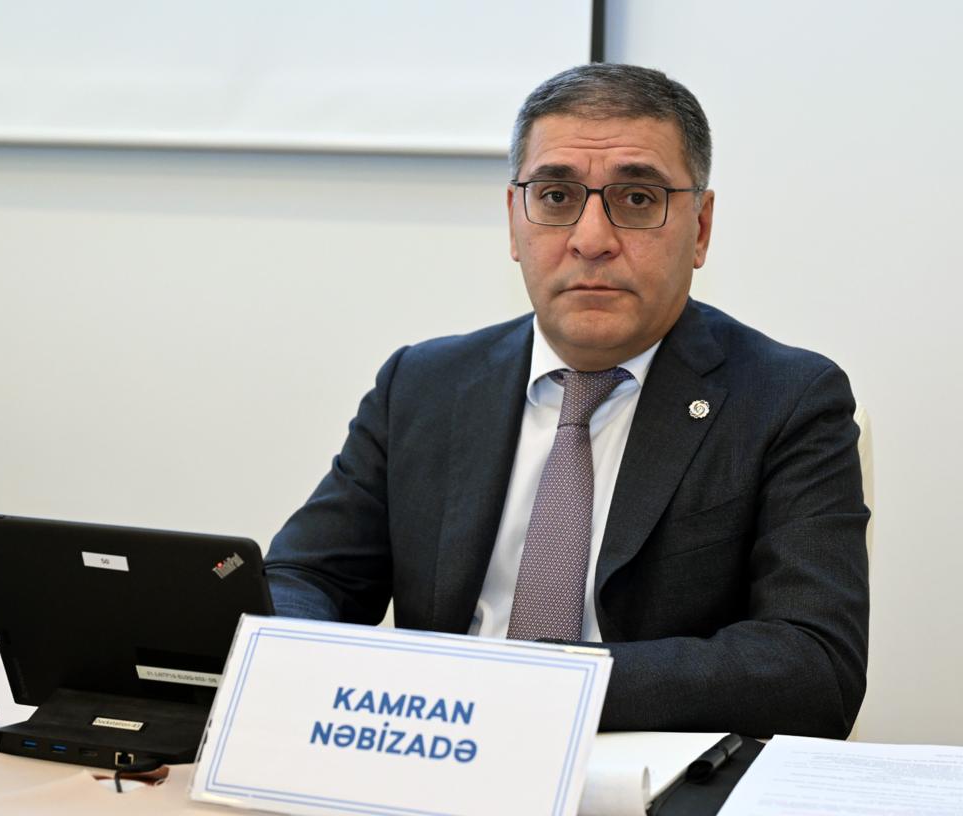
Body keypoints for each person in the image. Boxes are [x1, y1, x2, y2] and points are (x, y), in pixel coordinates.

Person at [263, 63, 869, 739]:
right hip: (435, 755)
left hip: (636, 770)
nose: (591, 239)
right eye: (555, 196)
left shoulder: (787, 400)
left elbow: (814, 667)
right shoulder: (424, 384)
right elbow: (303, 579)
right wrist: (311, 671)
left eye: (637, 198)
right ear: (514, 221)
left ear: (699, 229)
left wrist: (537, 687)